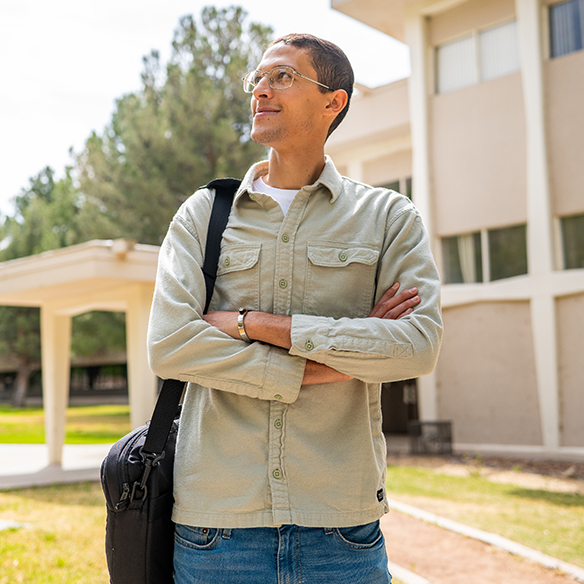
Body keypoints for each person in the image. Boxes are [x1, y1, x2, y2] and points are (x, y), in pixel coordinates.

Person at [148, 33, 442, 584]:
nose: (261, 89)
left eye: (282, 76)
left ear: (334, 101)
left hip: (342, 530)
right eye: (257, 78)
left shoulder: (388, 218)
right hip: (217, 531)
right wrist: (343, 353)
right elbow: (170, 344)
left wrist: (250, 324)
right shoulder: (203, 214)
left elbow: (418, 345)